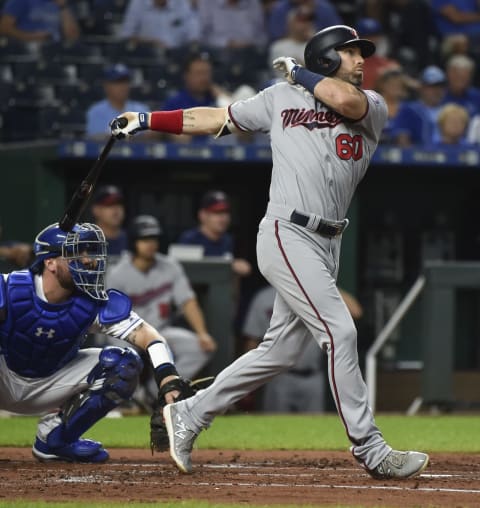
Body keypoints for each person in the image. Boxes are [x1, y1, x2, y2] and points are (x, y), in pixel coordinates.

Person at [110, 24, 430, 479]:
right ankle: (370, 448)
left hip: (329, 241)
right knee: (340, 332)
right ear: (324, 56)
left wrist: (299, 74)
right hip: (286, 230)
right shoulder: (280, 97)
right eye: (351, 52)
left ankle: (190, 412)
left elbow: (345, 102)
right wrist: (147, 121)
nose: (362, 60)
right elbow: (215, 118)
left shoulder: (372, 104)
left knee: (277, 352)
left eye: (362, 53)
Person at [0, 221, 191, 462]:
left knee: (123, 365)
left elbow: (147, 335)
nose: (89, 260)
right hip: (5, 379)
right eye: (78, 253)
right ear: (50, 262)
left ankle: (56, 440)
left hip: (51, 385)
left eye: (90, 252)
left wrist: (168, 375)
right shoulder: (10, 288)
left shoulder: (91, 302)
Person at [107, 214, 217, 382]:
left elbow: (187, 301)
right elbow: (111, 317)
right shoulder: (117, 273)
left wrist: (202, 333)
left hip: (161, 331)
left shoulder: (170, 266)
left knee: (200, 348)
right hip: (127, 333)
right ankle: (132, 399)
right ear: (133, 242)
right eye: (144, 239)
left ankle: (160, 391)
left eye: (153, 238)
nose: (150, 244)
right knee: (119, 355)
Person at [243, 284, 363, 413]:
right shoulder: (265, 297)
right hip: (279, 377)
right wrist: (250, 380)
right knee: (276, 426)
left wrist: (322, 282)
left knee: (314, 428)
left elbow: (356, 311)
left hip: (312, 376)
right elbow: (252, 341)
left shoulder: (317, 292)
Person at [178, 190, 252, 278]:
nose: (224, 217)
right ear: (203, 215)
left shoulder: (227, 240)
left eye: (226, 212)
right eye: (217, 213)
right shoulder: (189, 239)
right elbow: (183, 272)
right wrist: (228, 266)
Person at [161, 53, 228, 144]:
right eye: (199, 73)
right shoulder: (175, 102)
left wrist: (220, 96)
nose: (204, 78)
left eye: (207, 73)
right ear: (187, 76)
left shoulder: (216, 98)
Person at [85, 63, 150, 139]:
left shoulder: (141, 110)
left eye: (125, 82)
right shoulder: (95, 112)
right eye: (117, 82)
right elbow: (96, 140)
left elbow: (150, 138)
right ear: (106, 86)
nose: (123, 87)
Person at [393, 65, 447, 147]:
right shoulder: (409, 110)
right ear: (422, 88)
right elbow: (403, 140)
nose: (436, 91)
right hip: (419, 157)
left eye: (440, 86)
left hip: (449, 156)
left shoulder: (450, 110)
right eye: (431, 87)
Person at [119, 0, 199, 48]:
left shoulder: (181, 4)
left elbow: (193, 37)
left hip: (176, 54)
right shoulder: (138, 3)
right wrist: (150, 43)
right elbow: (126, 36)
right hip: (149, 54)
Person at [196, 0, 266, 50]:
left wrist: (252, 43)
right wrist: (227, 43)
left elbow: (262, 35)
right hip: (219, 52)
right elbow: (204, 37)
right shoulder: (207, 2)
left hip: (250, 51)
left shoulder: (253, 2)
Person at [0, 0, 80, 44]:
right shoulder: (20, 1)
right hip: (27, 48)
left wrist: (63, 7)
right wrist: (30, 37)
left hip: (55, 48)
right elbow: (3, 28)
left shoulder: (60, 4)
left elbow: (73, 36)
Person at [90, 184, 128, 265]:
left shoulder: (132, 241)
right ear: (96, 210)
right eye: (109, 204)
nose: (116, 209)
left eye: (119, 204)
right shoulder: (83, 242)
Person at [268, 6, 315, 71]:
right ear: (290, 24)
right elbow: (293, 72)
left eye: (309, 20)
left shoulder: (315, 46)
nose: (307, 24)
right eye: (301, 20)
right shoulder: (278, 47)